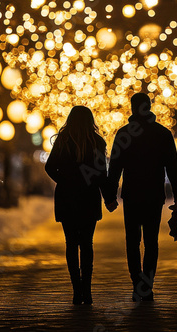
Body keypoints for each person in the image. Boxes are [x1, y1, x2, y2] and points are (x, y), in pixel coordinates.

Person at [108, 93, 177, 302]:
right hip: (154, 195)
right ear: (149, 107)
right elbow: (172, 166)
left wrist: (110, 195)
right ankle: (146, 286)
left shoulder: (123, 134)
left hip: (132, 195)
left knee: (132, 241)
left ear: (132, 109)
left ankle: (137, 283)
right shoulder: (162, 134)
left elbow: (115, 167)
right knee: (151, 242)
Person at [45, 106, 118, 305]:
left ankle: (76, 290)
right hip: (88, 197)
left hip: (67, 198)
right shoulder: (97, 142)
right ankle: (87, 290)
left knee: (71, 244)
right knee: (86, 244)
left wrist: (65, 180)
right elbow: (102, 174)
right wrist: (109, 198)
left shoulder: (62, 141)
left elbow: (49, 167)